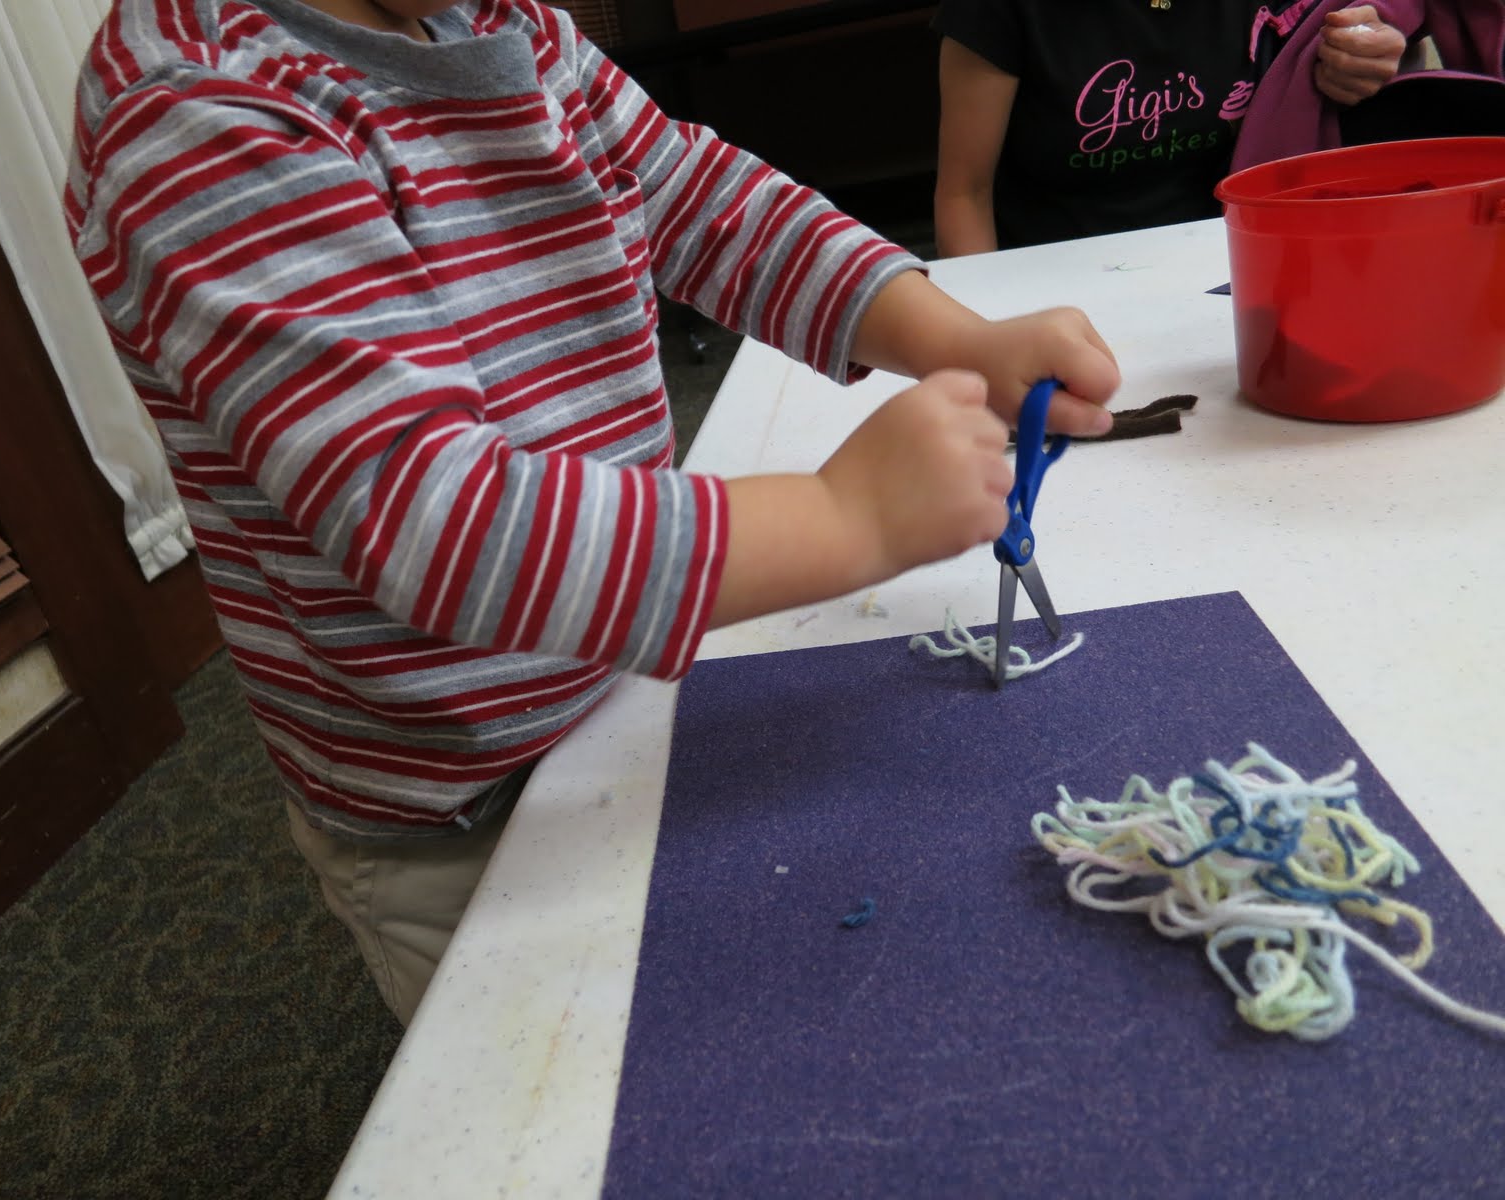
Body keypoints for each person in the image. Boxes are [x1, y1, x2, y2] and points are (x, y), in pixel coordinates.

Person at [66, 0, 1120, 1026]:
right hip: (457, 799)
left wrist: (956, 339)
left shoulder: (513, 26)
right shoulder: (198, 112)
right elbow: (432, 520)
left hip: (624, 685)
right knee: (547, 1094)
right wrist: (845, 519)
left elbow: (712, 207)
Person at [933, 1, 1412, 255]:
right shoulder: (999, 9)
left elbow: (1366, 32)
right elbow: (963, 196)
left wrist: (1365, 50)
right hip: (1049, 279)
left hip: (1219, 268)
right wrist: (986, 331)